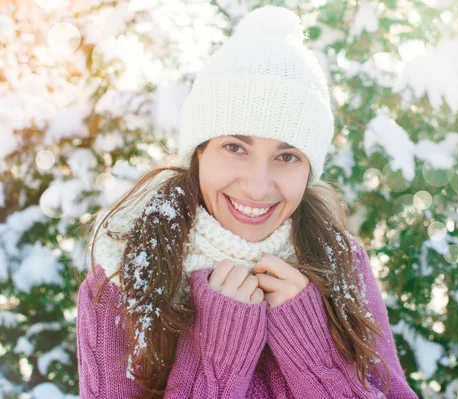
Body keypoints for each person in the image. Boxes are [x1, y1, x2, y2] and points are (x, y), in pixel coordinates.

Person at [76, 5, 419, 399]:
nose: (258, 187)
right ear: (199, 152)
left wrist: (314, 355)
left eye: (288, 156)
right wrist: (217, 359)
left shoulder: (338, 260)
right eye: (235, 147)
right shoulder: (125, 272)